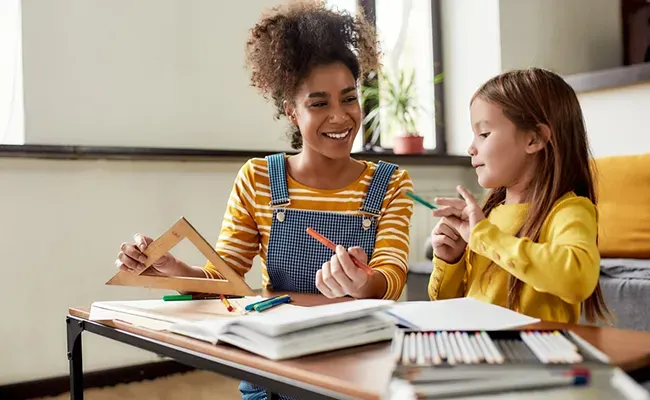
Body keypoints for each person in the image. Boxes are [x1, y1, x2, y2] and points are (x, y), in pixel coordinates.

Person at [115, 0, 413, 398]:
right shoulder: (258, 179)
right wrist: (175, 268)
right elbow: (227, 282)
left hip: (357, 366)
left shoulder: (391, 183)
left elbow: (391, 277)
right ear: (292, 112)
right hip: (275, 367)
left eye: (349, 98)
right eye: (319, 103)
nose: (341, 117)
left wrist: (364, 283)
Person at [428, 67, 611, 325]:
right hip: (484, 350)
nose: (471, 148)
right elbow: (450, 305)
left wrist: (486, 238)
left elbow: (577, 279)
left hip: (540, 355)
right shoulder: (490, 217)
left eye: (484, 134)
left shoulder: (569, 210)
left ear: (534, 139)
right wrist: (451, 260)